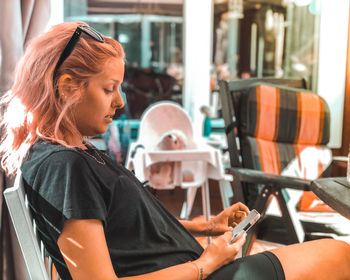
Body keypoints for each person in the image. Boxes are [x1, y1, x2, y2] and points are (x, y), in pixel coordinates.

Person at [1, 21, 350, 280]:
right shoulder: (62, 166)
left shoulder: (70, 154)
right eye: (109, 89)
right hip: (201, 274)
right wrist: (205, 264)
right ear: (67, 89)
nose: (121, 101)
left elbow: (124, 229)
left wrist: (203, 226)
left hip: (197, 266)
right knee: (339, 254)